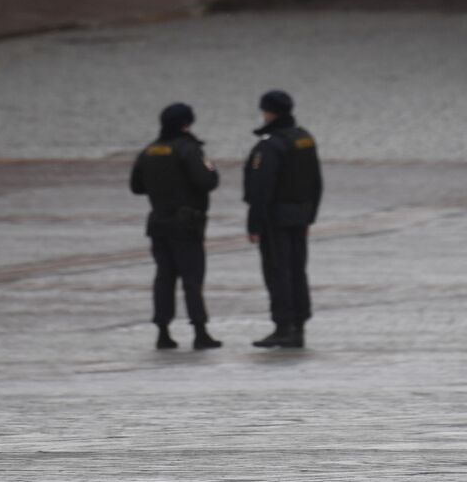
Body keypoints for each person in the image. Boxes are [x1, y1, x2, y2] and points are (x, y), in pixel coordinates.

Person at [129, 102, 222, 351]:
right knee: (192, 279)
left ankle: (163, 331)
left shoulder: (149, 150)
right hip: (186, 225)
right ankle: (200, 332)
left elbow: (136, 187)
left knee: (164, 278)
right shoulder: (188, 149)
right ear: (186, 124)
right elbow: (207, 181)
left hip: (158, 223)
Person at [244, 90, 323, 350]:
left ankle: (283, 327)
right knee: (297, 270)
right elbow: (316, 181)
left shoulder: (269, 145)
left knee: (278, 271)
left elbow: (260, 190)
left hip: (275, 219)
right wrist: (310, 216)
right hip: (300, 216)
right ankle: (298, 325)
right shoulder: (304, 139)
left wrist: (254, 224)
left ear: (269, 112)